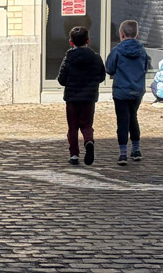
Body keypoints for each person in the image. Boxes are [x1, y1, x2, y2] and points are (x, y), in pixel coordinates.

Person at [56, 26, 106, 165]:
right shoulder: (96, 58)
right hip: (89, 98)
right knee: (86, 124)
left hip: (72, 98)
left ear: (71, 42)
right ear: (88, 40)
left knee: (72, 127)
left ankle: (74, 155)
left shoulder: (68, 58)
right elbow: (101, 76)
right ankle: (88, 141)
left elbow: (61, 79)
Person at [105, 20, 149, 166]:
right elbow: (145, 67)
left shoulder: (117, 50)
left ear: (121, 34)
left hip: (121, 91)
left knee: (123, 120)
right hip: (137, 90)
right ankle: (136, 149)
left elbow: (109, 69)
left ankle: (123, 153)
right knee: (133, 117)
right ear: (137, 34)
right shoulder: (142, 51)